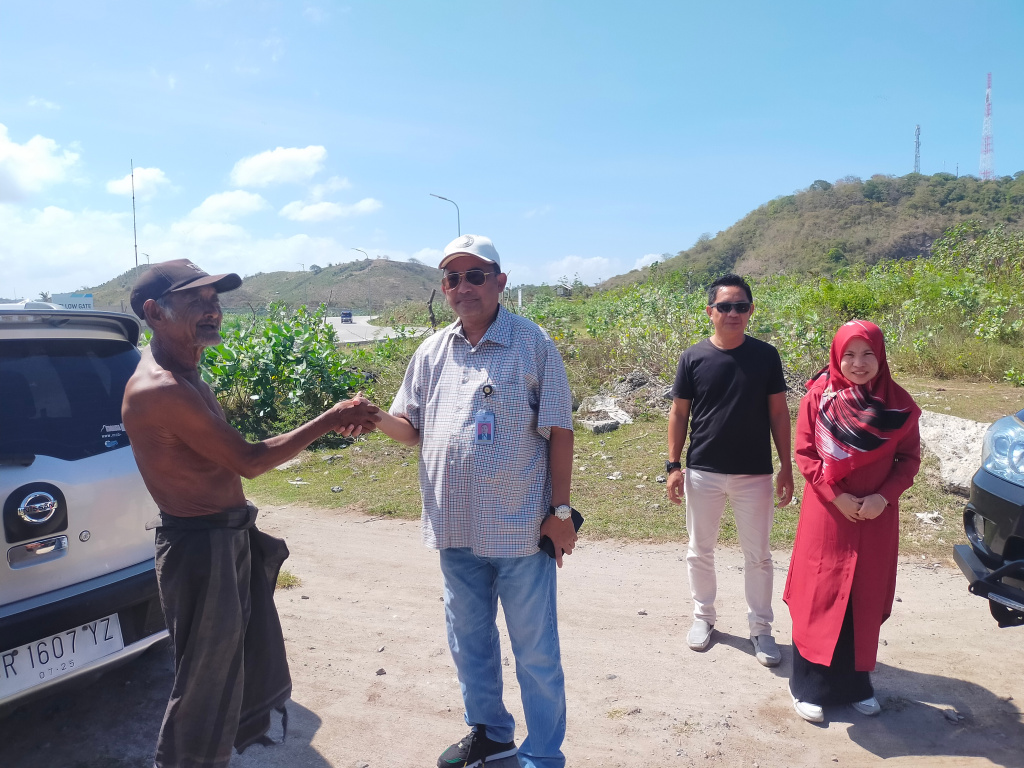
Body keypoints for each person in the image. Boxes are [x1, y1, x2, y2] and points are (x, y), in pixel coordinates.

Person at [121, 259, 381, 768]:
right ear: (153, 313)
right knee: (203, 687)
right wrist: (331, 418)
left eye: (214, 298)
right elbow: (250, 461)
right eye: (195, 300)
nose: (212, 308)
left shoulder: (188, 372)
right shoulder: (161, 389)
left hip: (222, 539)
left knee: (229, 674)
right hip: (200, 549)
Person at [371, 235, 577, 768]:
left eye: (475, 275)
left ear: (500, 281)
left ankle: (543, 755)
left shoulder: (533, 343)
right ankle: (490, 733)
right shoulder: (432, 351)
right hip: (455, 529)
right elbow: (410, 428)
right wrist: (371, 416)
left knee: (535, 652)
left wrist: (559, 515)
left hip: (519, 531)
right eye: (452, 278)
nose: (464, 287)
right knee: (469, 642)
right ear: (444, 289)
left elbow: (559, 431)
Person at [784, 320, 921, 723]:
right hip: (829, 515)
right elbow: (806, 454)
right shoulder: (818, 399)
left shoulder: (898, 405)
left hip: (876, 516)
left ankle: (857, 685)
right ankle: (807, 687)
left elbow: (909, 460)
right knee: (820, 593)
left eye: (868, 355)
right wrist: (836, 496)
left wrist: (883, 497)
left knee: (863, 594)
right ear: (836, 356)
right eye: (849, 354)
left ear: (881, 358)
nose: (858, 364)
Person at [666, 273, 794, 667]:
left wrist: (786, 466)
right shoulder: (693, 357)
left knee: (758, 556)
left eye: (741, 306)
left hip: (754, 474)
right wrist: (673, 465)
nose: (733, 313)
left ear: (751, 311)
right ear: (710, 312)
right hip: (703, 470)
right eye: (725, 306)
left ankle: (761, 629)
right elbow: (679, 412)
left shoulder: (766, 356)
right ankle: (704, 619)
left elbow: (778, 411)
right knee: (699, 551)